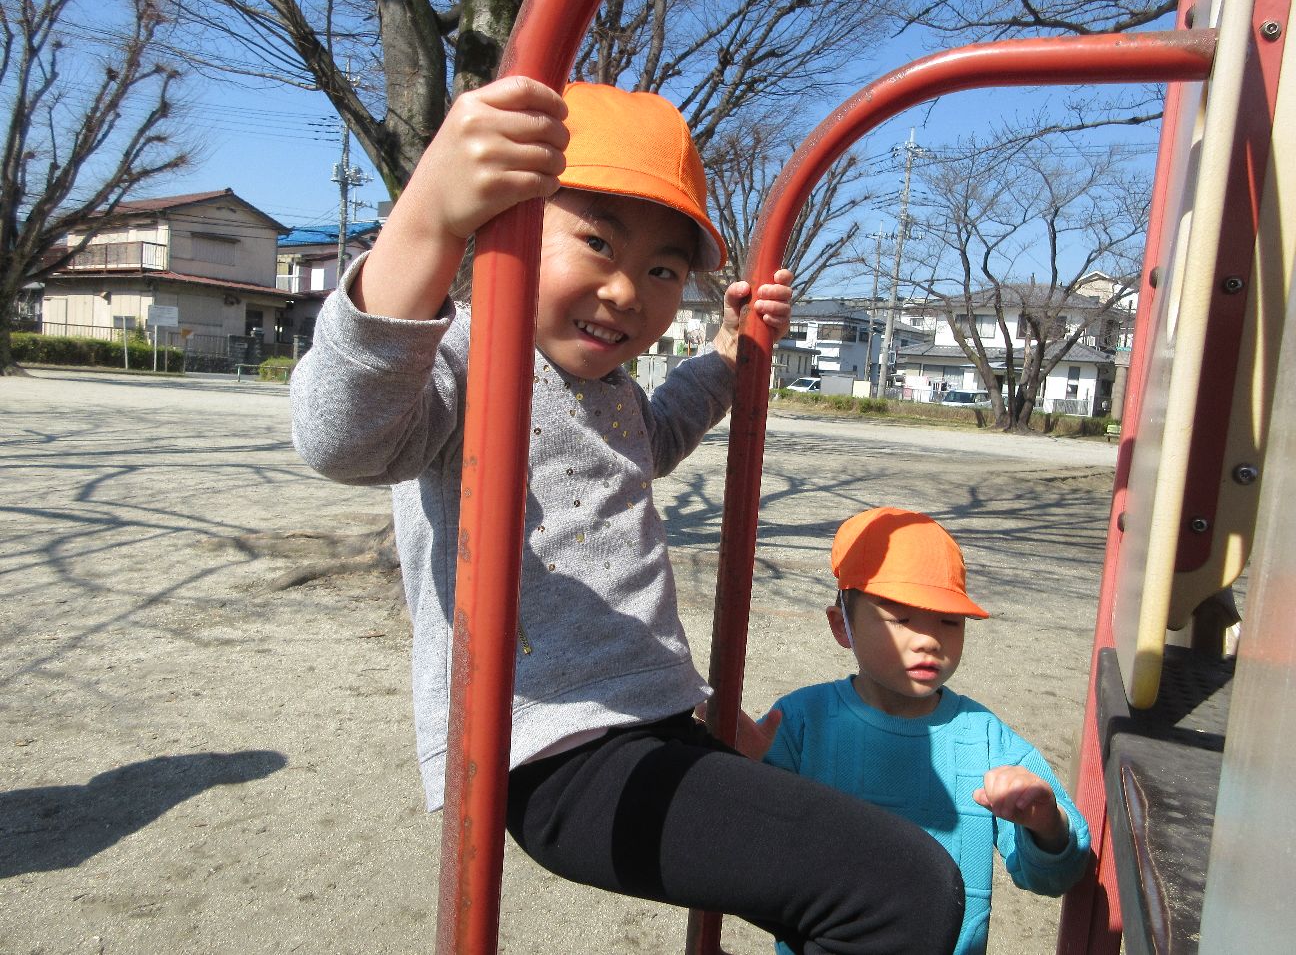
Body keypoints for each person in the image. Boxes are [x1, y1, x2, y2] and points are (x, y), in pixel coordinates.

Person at [291, 78, 964, 954]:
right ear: (506, 226)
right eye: (598, 242)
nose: (625, 290)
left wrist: (728, 352)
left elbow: (661, 432)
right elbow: (343, 438)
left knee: (882, 876)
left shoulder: (606, 390)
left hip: (652, 722)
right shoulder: (467, 357)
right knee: (902, 889)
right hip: (556, 749)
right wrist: (428, 219)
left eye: (662, 271)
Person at [762, 506, 1092, 955]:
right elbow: (751, 843)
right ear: (843, 626)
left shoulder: (985, 740)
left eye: (949, 621)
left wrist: (1045, 824)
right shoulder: (802, 722)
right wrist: (740, 765)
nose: (929, 640)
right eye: (901, 619)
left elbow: (1057, 875)